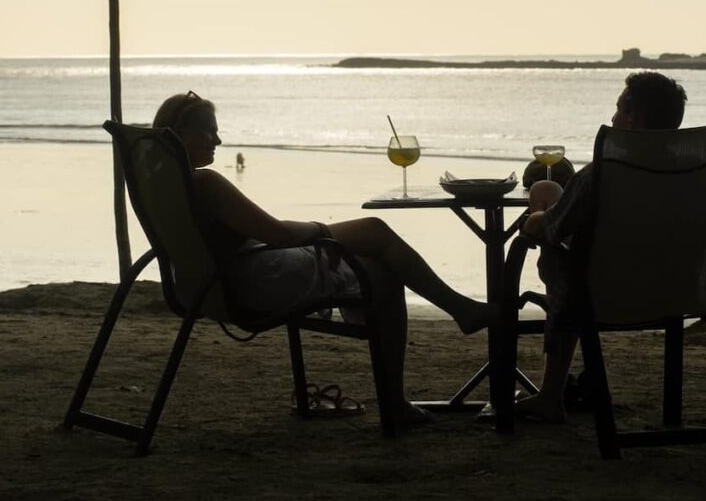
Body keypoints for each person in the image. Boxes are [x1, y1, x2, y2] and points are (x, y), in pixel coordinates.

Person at [153, 91, 490, 424]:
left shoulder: (166, 184)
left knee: (373, 262)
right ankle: (456, 315)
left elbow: (233, 239)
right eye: (208, 131)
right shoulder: (204, 183)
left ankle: (435, 340)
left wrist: (315, 239)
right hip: (252, 283)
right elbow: (278, 235)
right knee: (375, 236)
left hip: (216, 285)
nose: (219, 140)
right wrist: (321, 232)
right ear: (178, 134)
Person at [515, 71, 688, 423]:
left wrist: (535, 216)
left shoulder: (604, 173)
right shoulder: (695, 170)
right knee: (573, 254)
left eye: (618, 110)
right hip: (680, 291)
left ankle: (550, 397)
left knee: (557, 252)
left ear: (634, 118)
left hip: (602, 295)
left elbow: (550, 228)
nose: (612, 118)